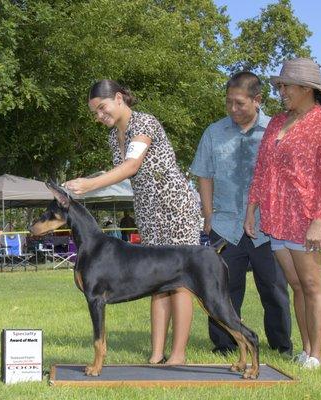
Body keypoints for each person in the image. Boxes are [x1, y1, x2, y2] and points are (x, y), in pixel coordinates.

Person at [64, 80, 202, 365]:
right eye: (95, 113)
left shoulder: (144, 122)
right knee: (156, 280)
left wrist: (89, 185)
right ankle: (155, 354)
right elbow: (117, 171)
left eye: (102, 108)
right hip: (149, 212)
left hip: (175, 208)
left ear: (117, 98)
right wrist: (79, 183)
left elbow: (131, 166)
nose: (99, 116)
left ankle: (177, 356)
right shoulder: (113, 137)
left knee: (180, 280)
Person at [244, 58, 321, 369]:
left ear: (306, 88)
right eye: (280, 86)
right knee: (295, 284)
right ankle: (304, 350)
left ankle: (316, 355)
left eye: (285, 86)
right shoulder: (277, 122)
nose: (281, 91)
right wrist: (252, 209)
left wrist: (318, 222)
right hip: (277, 216)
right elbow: (262, 169)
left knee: (311, 282)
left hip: (308, 218)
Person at [191, 71, 292, 357]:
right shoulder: (214, 132)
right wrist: (208, 217)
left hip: (267, 227)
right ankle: (224, 344)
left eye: (239, 104)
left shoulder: (276, 131)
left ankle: (281, 346)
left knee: (274, 290)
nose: (233, 110)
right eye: (228, 103)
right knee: (222, 290)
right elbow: (204, 176)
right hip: (224, 226)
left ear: (257, 100)